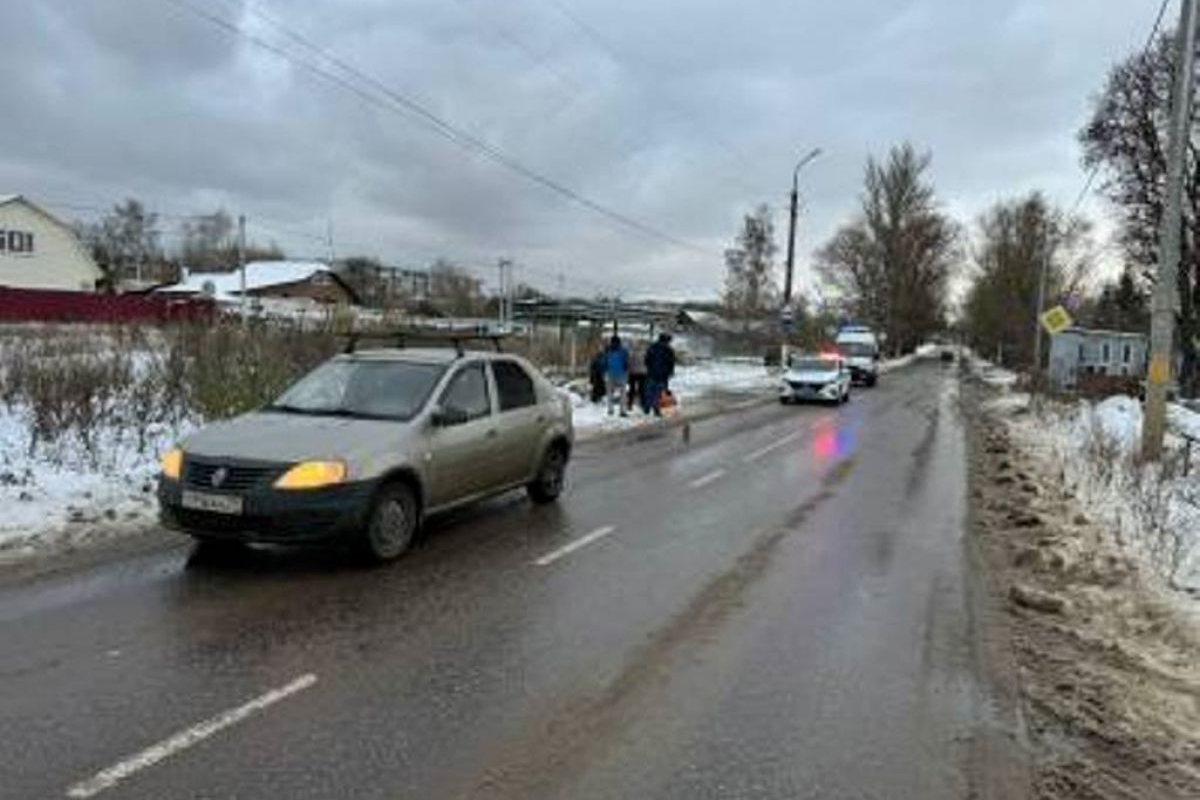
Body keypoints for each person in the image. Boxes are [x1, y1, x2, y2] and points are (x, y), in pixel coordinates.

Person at [643, 332, 676, 416]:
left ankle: (647, 408)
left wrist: (650, 368)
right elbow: (671, 362)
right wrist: (670, 372)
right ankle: (656, 410)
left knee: (649, 391)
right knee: (659, 392)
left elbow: (646, 360)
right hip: (662, 375)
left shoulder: (652, 347)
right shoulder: (668, 350)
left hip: (651, 373)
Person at [603, 335, 630, 417]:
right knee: (623, 393)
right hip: (621, 374)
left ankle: (610, 410)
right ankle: (622, 411)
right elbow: (626, 362)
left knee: (610, 393)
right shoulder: (623, 351)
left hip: (610, 373)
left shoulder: (607, 350)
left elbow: (604, 362)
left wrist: (605, 371)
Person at [626, 343, 647, 413]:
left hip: (633, 373)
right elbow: (647, 362)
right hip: (642, 373)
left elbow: (628, 363)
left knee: (632, 389)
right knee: (642, 389)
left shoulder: (630, 354)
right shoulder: (644, 353)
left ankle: (630, 404)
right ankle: (643, 404)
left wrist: (628, 371)